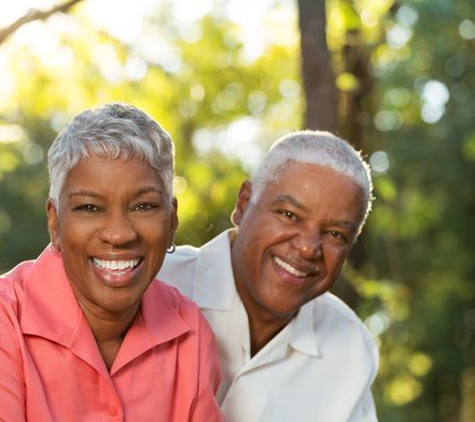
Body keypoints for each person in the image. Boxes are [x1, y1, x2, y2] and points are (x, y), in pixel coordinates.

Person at [0, 103, 224, 421]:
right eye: (90, 208)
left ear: (171, 221)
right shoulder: (5, 319)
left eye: (143, 206)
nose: (119, 235)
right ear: (54, 222)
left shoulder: (190, 332)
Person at [158, 130, 379, 422]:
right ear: (243, 204)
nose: (307, 247)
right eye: (289, 215)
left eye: (335, 234)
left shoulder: (350, 348)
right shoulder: (152, 285)